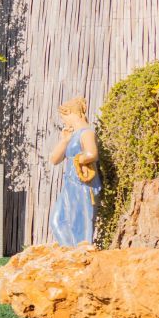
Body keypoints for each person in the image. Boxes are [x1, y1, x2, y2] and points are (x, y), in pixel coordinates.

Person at [48, 96, 101, 246]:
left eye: (64, 117)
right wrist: (64, 140)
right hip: (70, 185)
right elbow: (54, 159)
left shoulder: (86, 133)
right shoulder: (72, 136)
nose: (64, 121)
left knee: (80, 224)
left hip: (83, 185)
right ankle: (71, 253)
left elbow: (92, 154)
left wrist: (79, 160)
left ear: (72, 113)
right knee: (58, 221)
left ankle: (81, 255)